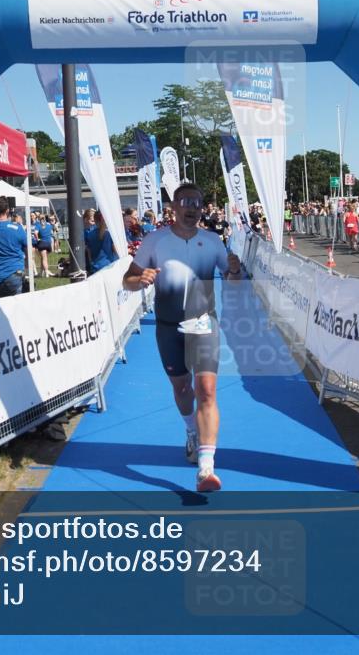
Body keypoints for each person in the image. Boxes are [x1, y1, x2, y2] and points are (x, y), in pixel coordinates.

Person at [122, 183, 243, 492]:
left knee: (207, 389)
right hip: (167, 326)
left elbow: (232, 281)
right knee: (182, 387)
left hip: (203, 323)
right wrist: (140, 279)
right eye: (185, 202)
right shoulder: (155, 240)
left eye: (197, 203)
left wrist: (233, 271)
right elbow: (128, 280)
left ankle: (206, 468)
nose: (191, 208)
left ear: (202, 209)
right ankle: (191, 430)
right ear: (173, 207)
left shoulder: (213, 240)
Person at [33, 212, 55, 277]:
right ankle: (41, 272)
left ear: (39, 218)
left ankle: (46, 272)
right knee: (44, 258)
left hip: (42, 243)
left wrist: (37, 239)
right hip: (49, 244)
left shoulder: (38, 225)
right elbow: (53, 229)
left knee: (44, 259)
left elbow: (35, 233)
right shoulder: (49, 225)